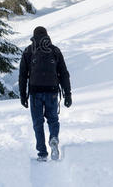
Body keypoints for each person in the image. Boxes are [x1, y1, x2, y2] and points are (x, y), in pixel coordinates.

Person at [19, 26, 72, 161]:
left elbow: (23, 76)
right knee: (53, 119)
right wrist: (68, 94)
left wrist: (23, 95)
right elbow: (64, 74)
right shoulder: (55, 50)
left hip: (35, 92)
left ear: (33, 36)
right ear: (47, 35)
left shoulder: (28, 51)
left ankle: (42, 153)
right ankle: (53, 138)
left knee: (38, 123)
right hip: (52, 91)